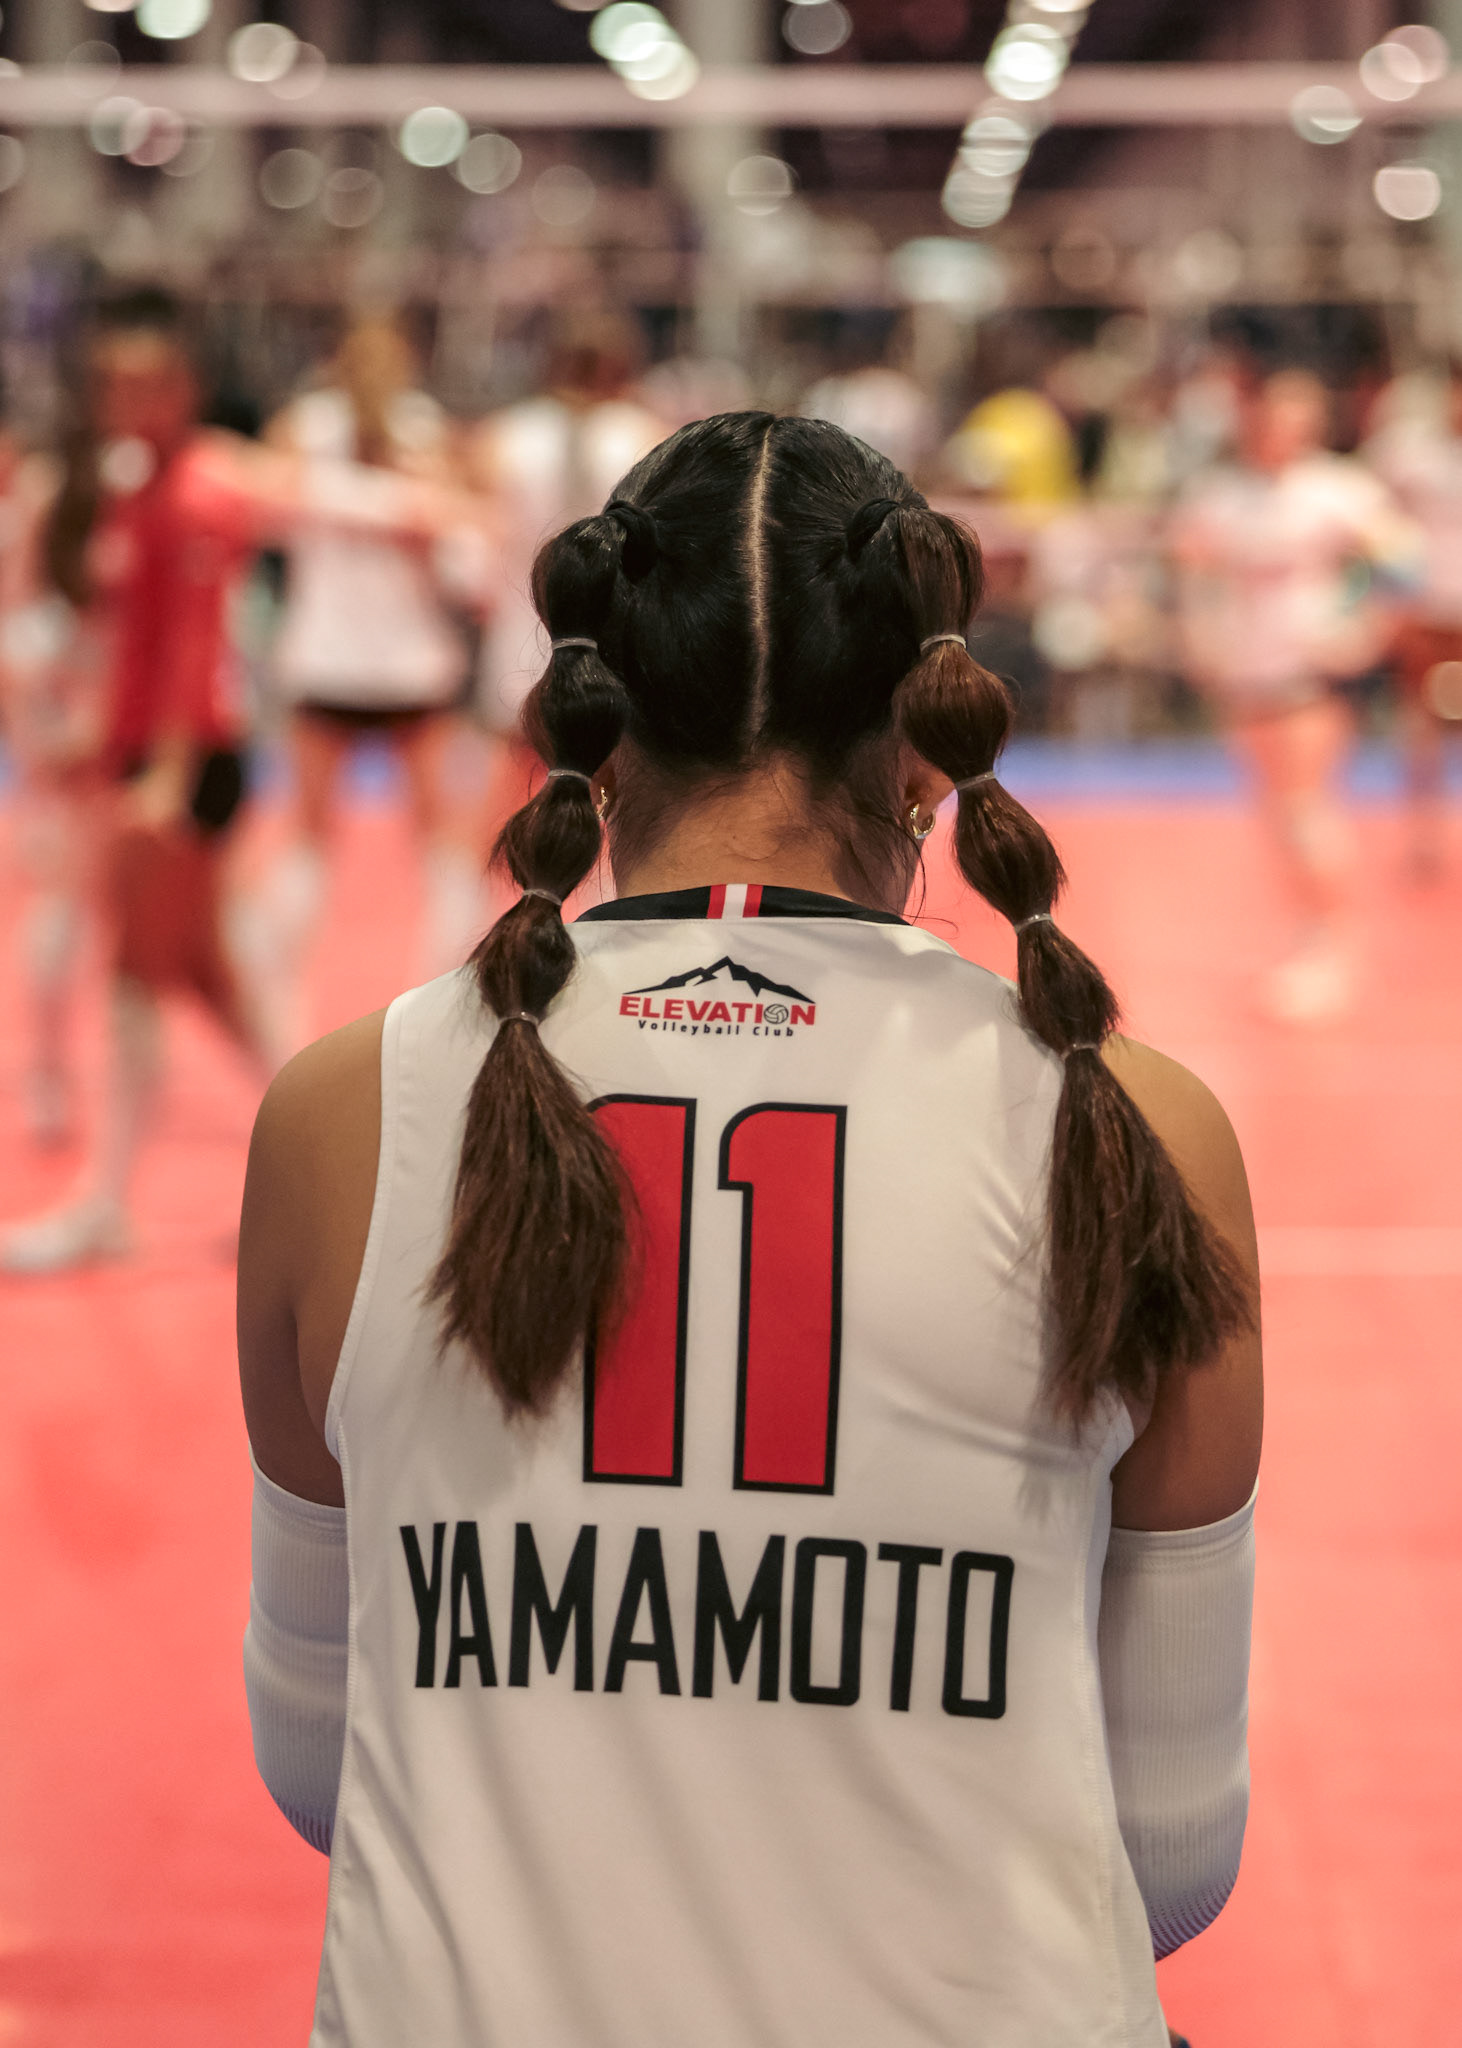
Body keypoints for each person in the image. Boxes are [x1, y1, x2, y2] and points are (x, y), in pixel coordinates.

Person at [239, 414, 1261, 2046]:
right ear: (924, 750)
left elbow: (322, 1758)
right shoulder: (1133, 1118)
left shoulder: (341, 1112)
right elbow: (1168, 1855)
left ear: (590, 734)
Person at [1, 289, 275, 1272]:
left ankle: (105, 1203)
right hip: (157, 755)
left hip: (185, 765)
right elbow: (141, 644)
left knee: (137, 978)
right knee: (208, 977)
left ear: (185, 387)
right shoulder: (144, 488)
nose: (125, 399)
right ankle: (369, 1152)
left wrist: (162, 774)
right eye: (112, 382)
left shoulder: (196, 493)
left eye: (145, 382)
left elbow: (194, 652)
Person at [1170, 367, 1419, 1022]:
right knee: (1279, 813)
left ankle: (1335, 946)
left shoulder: (1339, 491)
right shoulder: (1223, 495)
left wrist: (1365, 629)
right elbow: (1191, 569)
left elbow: (1403, 562)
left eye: (1296, 417)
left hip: (1309, 676)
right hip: (1245, 675)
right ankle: (1312, 935)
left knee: (1307, 807)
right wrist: (1200, 636)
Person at [263, 315, 486, 1005]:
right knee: (439, 841)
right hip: (401, 665)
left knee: (310, 839)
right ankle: (443, 994)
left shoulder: (311, 431)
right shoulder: (413, 434)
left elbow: (270, 512)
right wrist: (409, 508)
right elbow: (465, 557)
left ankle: (284, 997)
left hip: (336, 662)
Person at [0, 417, 108, 1143]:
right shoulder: (63, 491)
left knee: (64, 906)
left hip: (57, 703)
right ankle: (47, 1075)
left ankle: (49, 1076)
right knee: (65, 908)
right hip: (72, 705)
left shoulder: (45, 490)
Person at [1364, 359, 1462, 875]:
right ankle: (1424, 835)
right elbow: (1376, 521)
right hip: (1430, 612)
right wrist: (1390, 597)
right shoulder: (1412, 455)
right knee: (1421, 728)